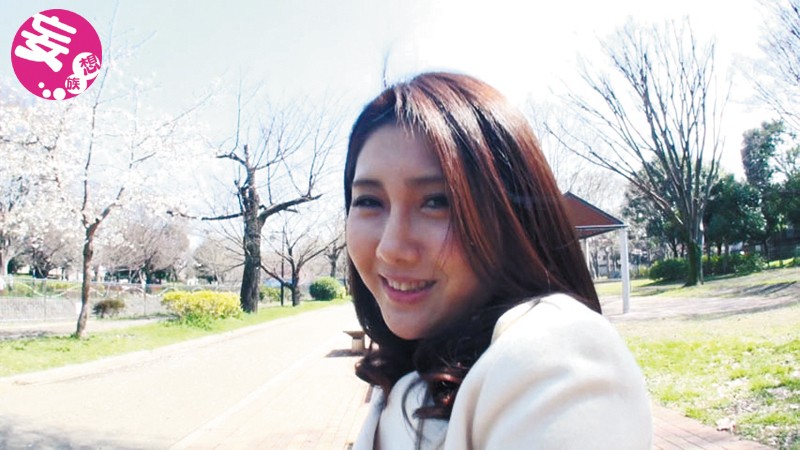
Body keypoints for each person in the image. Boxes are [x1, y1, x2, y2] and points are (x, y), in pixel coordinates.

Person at [344, 72, 652, 449]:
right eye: (369, 201)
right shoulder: (407, 365)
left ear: (510, 217)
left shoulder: (557, 357)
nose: (391, 248)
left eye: (437, 202)